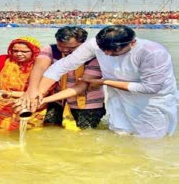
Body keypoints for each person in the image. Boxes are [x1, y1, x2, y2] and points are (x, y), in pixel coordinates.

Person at [38, 25, 177, 138]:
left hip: (150, 101)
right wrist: (38, 93)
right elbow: (63, 65)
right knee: (120, 133)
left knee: (151, 139)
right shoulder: (95, 45)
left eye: (114, 51)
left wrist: (105, 82)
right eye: (104, 50)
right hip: (119, 96)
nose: (108, 54)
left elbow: (151, 88)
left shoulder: (152, 53)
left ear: (132, 43)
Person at [22, 26, 105, 129]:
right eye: (61, 46)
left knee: (84, 133)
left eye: (71, 48)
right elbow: (40, 67)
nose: (65, 50)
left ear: (84, 44)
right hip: (56, 101)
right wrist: (32, 91)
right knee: (50, 129)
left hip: (87, 103)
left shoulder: (95, 56)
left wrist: (43, 100)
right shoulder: (51, 50)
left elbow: (81, 86)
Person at [0, 36, 46, 130]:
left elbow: (42, 92)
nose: (19, 54)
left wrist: (10, 94)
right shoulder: (4, 59)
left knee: (28, 134)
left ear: (35, 51)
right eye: (15, 51)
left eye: (24, 52)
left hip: (25, 103)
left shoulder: (41, 65)